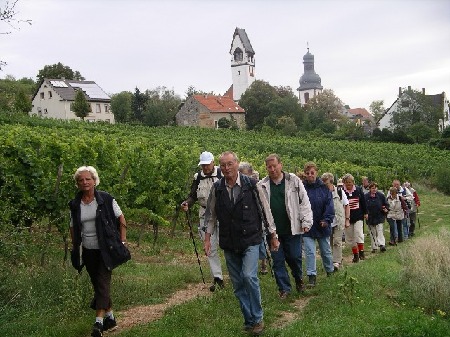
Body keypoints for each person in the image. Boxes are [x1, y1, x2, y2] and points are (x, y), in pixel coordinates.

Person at [203, 151, 280, 336]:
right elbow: (211, 216)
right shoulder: (217, 188)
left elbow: (265, 210)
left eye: (230, 164)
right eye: (223, 165)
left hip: (251, 239)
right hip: (229, 242)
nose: (226, 168)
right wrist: (207, 239)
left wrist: (273, 235)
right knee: (237, 283)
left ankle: (258, 317)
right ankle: (249, 319)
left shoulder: (252, 185)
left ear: (237, 164)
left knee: (248, 276)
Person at [69, 166, 129, 337]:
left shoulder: (106, 199)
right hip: (87, 250)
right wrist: (75, 247)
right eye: (81, 180)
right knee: (97, 284)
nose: (84, 182)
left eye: (88, 179)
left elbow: (121, 218)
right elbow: (73, 226)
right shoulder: (75, 204)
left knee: (102, 282)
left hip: (106, 249)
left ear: (94, 181)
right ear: (77, 184)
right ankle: (110, 318)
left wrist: (123, 240)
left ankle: (98, 324)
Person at [259, 154, 313, 297]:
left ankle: (298, 279)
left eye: (274, 166)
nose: (272, 169)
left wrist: (306, 221)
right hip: (273, 232)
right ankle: (284, 289)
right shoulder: (262, 185)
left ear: (280, 165)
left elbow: (304, 202)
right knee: (277, 260)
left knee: (294, 257)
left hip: (292, 228)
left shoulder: (293, 181)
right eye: (269, 167)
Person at [181, 151, 224, 291]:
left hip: (222, 212)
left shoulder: (221, 174)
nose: (205, 168)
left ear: (213, 162)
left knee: (226, 244)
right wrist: (187, 203)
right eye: (203, 165)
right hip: (204, 213)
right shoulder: (198, 177)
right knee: (209, 247)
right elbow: (192, 196)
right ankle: (218, 278)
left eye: (207, 165)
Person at [302, 162, 334, 287]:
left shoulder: (324, 188)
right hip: (308, 225)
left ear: (316, 173)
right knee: (310, 251)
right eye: (308, 173)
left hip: (322, 225)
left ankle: (330, 271)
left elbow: (329, 205)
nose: (310, 175)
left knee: (325, 250)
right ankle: (311, 276)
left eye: (312, 173)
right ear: (305, 174)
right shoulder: (302, 188)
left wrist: (326, 220)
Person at [238, 161, 268, 275]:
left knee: (262, 241)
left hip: (257, 222)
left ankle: (263, 263)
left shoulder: (256, 186)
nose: (242, 176)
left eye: (244, 174)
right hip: (244, 224)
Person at [321, 172, 350, 271]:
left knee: (337, 241)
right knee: (328, 243)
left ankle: (336, 262)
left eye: (327, 184)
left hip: (338, 220)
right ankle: (330, 262)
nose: (325, 185)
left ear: (331, 182)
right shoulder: (322, 193)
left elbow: (346, 205)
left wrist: (347, 219)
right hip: (327, 222)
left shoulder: (339, 192)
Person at [342, 173, 368, 263]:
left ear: (353, 182)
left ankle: (361, 251)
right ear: (344, 183)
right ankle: (355, 255)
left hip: (358, 215)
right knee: (350, 237)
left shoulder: (358, 190)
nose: (348, 184)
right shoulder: (342, 191)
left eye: (350, 182)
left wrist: (365, 212)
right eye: (346, 183)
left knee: (358, 233)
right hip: (347, 217)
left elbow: (363, 201)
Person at [364, 182, 389, 253]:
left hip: (379, 216)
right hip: (370, 217)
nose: (374, 189)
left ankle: (382, 245)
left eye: (375, 188)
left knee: (380, 230)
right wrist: (365, 214)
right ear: (370, 189)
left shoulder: (381, 196)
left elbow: (386, 204)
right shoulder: (366, 197)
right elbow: (363, 206)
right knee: (372, 232)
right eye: (372, 188)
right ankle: (374, 247)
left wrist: (385, 209)